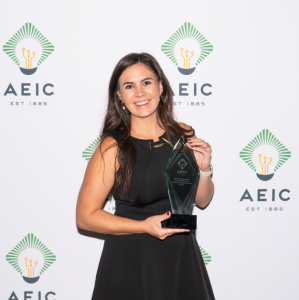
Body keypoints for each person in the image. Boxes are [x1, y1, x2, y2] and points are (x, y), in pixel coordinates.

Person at [76, 52, 215, 300]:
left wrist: (204, 170)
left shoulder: (183, 134)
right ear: (119, 96)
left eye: (146, 82)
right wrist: (143, 226)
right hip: (131, 261)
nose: (140, 93)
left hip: (181, 258)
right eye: (129, 86)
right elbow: (85, 217)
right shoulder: (112, 147)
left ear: (161, 87)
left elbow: (201, 201)